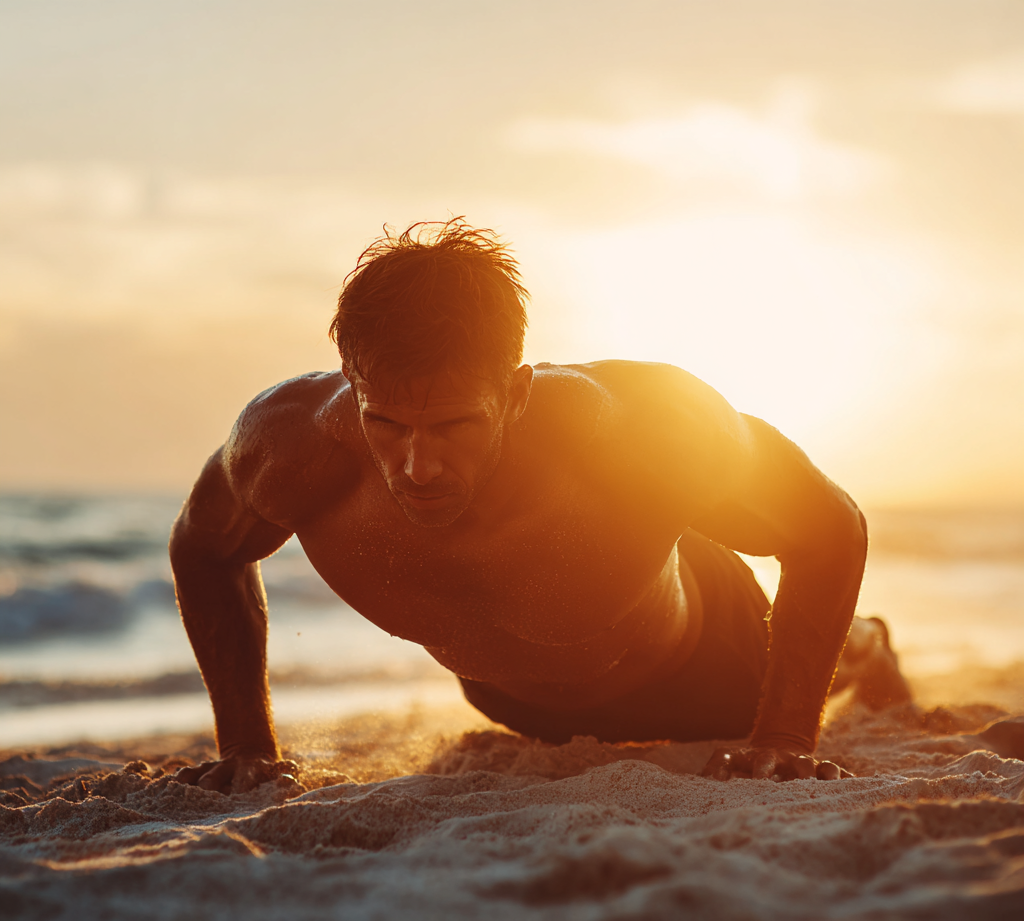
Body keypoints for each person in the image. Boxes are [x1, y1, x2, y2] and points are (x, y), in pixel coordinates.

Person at [170, 219, 911, 794]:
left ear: (516, 393)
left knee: (822, 661)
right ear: (352, 382)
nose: (417, 466)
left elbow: (830, 527)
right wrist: (246, 747)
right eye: (385, 423)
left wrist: (785, 739)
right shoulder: (290, 447)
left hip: (704, 671)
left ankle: (868, 645)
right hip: (513, 706)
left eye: (455, 425)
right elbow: (204, 549)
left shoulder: (642, 428)